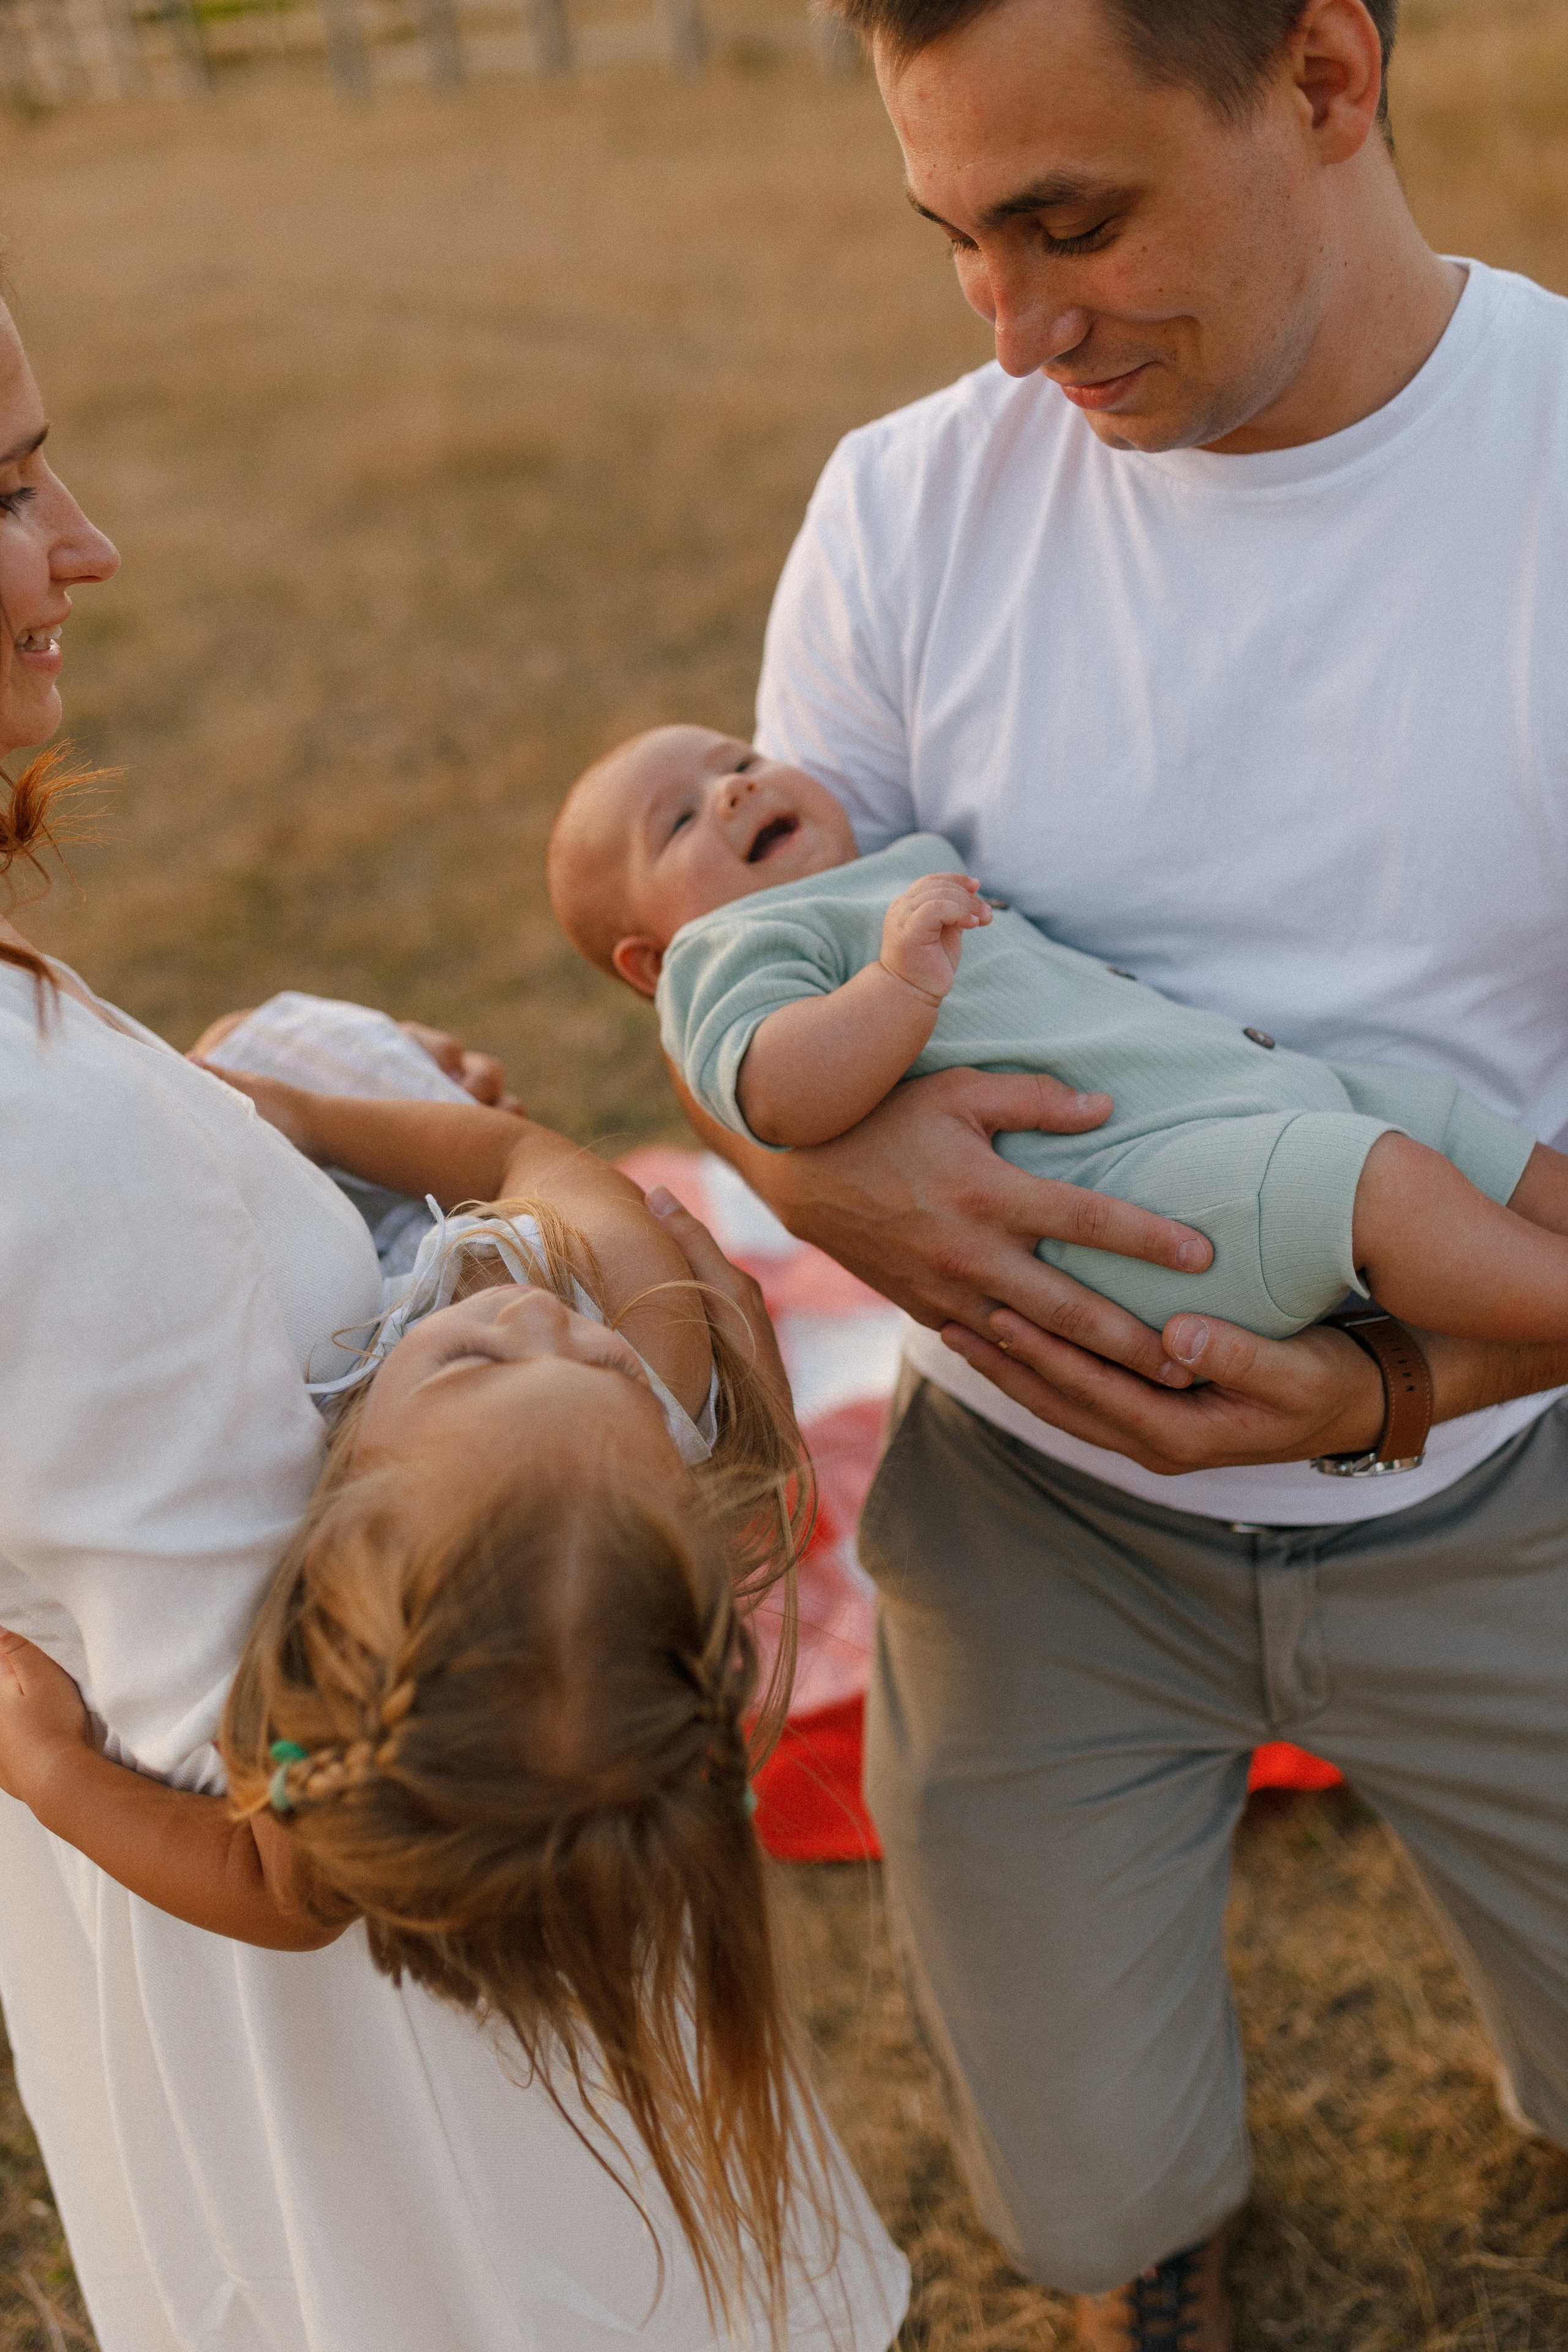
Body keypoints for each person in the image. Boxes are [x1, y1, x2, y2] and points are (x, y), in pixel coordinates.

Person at [632, 1, 1568, 2344]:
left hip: (1524, 1473)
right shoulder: (906, 502)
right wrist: (883, 1214)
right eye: (955, 237)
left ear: (1329, 77)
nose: (1018, 328)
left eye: (1075, 221)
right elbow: (765, 1010)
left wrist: (1388, 1389)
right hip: (1037, 1524)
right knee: (1086, 2215)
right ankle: (1152, 2229)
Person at [0, 301, 910, 2350]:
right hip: (403, 2129)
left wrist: (294, 1118)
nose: (90, 538)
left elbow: (555, 1212)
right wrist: (341, 1123)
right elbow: (283, 1868)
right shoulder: (471, 1408)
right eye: (3, 485)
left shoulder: (510, 1457)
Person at [551, 717, 1568, 1346]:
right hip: (1131, 1190)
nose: (734, 788)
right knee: (1378, 1184)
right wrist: (899, 984)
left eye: (739, 758)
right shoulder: (734, 949)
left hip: (1232, 1101)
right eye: (679, 822)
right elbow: (775, 1092)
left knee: (1441, 1123)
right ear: (649, 961)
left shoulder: (875, 874)